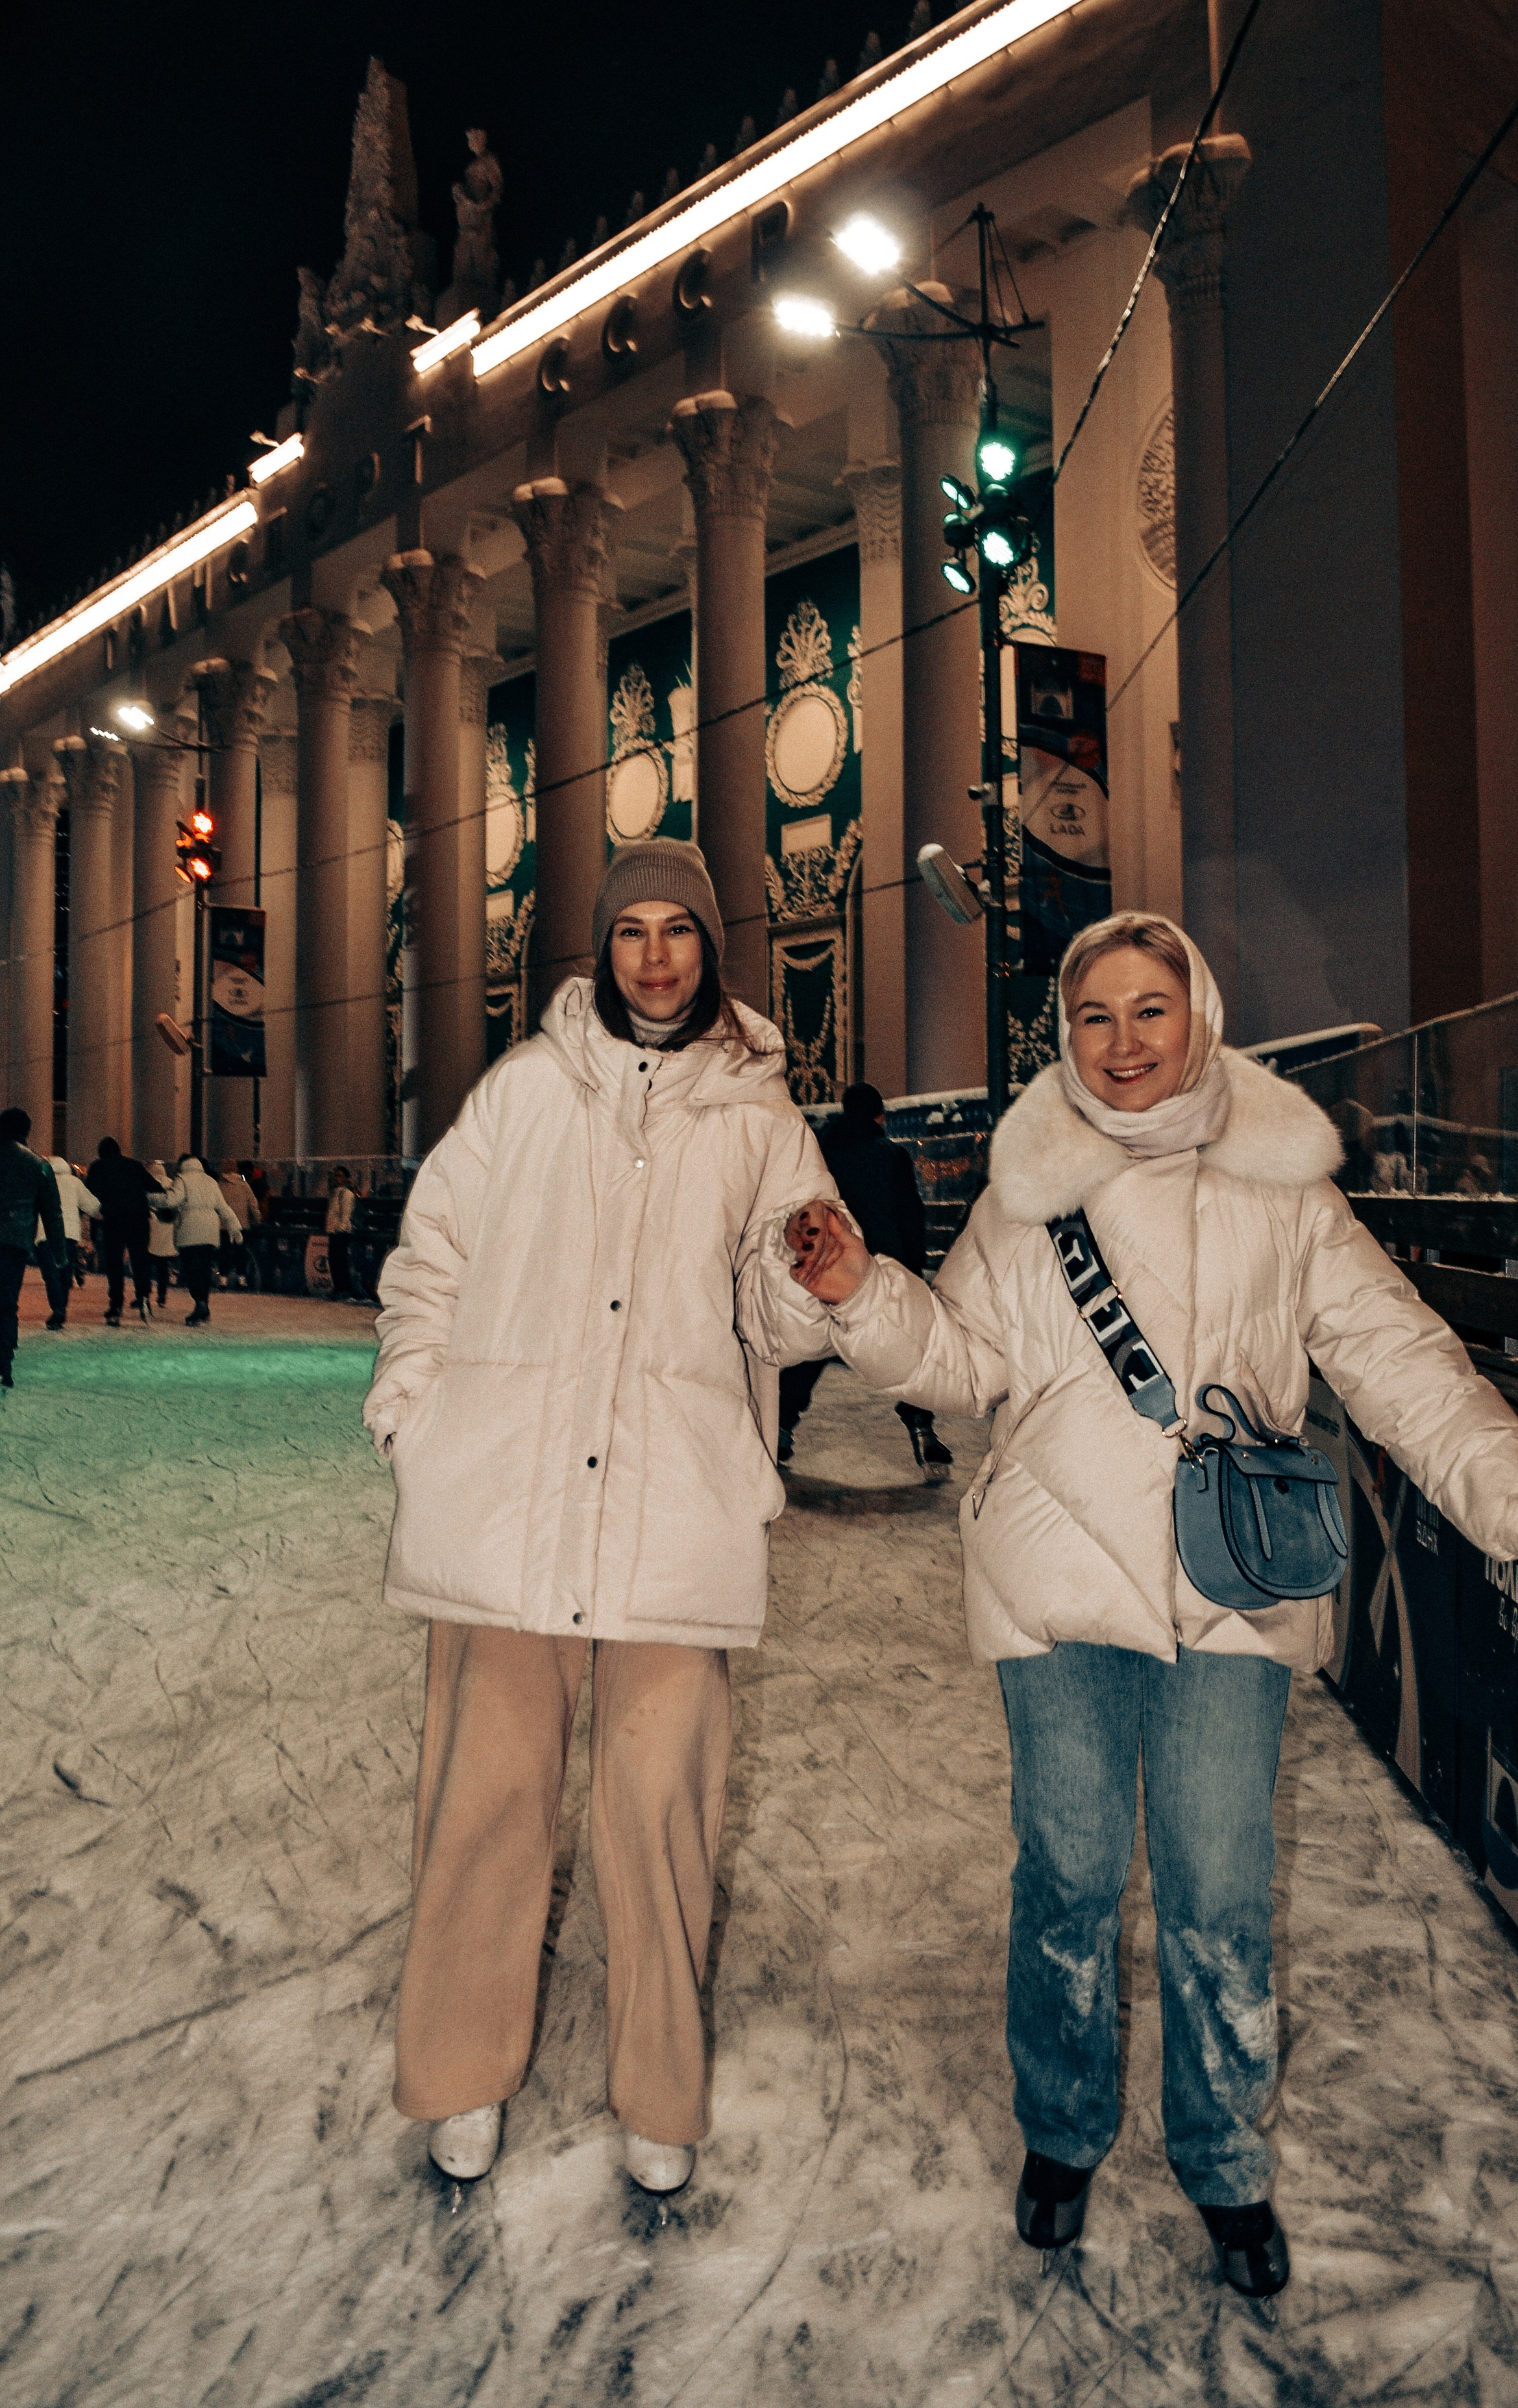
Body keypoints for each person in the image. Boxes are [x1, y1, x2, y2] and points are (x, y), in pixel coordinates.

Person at [782, 912, 1518, 2299]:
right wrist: (862, 1296)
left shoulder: (1280, 1185)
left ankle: (1219, 2158)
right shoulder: (1026, 1191)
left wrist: (1504, 1487)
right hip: (1055, 1594)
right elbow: (962, 1360)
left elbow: (1392, 1351)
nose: (1123, 1041)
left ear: (1199, 1020)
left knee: (1215, 1894)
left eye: (1149, 1011)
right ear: (1067, 1037)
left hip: (1230, 1592)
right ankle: (1062, 2129)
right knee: (1067, 1881)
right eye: (1095, 1016)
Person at [365, 838, 838, 2198]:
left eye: (674, 930)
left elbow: (783, 1312)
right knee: (483, 1807)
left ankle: (656, 2093)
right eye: (627, 929)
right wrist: (414, 1411)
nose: (652, 955)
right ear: (599, 947)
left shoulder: (757, 1119)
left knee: (657, 1816)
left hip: (671, 1511)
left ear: (709, 946)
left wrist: (809, 1282)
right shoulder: (520, 1093)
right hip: (502, 1507)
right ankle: (458, 2075)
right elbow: (430, 1257)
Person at [777, 1081, 953, 1476]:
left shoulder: (818, 1155)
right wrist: (913, 1270)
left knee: (810, 1351)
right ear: (880, 1117)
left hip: (825, 1269)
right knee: (905, 1353)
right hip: (877, 1270)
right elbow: (910, 1216)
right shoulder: (891, 1156)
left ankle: (781, 1428)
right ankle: (922, 1428)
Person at [0, 1107, 66, 1389]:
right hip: (14, 1245)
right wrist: (60, 1254)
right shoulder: (38, 1165)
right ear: (27, 1130)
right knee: (6, 1306)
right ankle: (3, 1366)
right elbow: (53, 1213)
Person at [86, 1136, 159, 1325]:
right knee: (140, 1259)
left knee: (115, 1264)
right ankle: (143, 1296)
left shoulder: (98, 1167)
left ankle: (116, 1305)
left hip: (114, 1220)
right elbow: (155, 1187)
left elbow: (90, 1193)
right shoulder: (134, 1165)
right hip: (139, 1220)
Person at [169, 1157, 245, 1322]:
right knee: (204, 1268)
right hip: (210, 1231)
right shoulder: (211, 1182)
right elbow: (224, 1208)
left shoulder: (182, 1180)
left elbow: (172, 1200)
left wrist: (152, 1198)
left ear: (183, 1167)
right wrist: (235, 1228)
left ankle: (200, 1303)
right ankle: (203, 1304)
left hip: (190, 1231)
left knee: (192, 1269)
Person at [39, 1155, 100, 1327]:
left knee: (50, 1274)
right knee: (65, 1271)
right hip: (69, 1234)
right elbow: (92, 1205)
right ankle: (61, 1308)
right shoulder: (74, 1183)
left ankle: (57, 1308)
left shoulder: (42, 1182)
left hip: (46, 1234)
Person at [218, 1159, 258, 1287]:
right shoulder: (244, 1185)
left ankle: (223, 1280)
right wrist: (257, 1219)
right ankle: (242, 1279)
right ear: (236, 1170)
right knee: (241, 1252)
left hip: (224, 1225)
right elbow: (253, 1204)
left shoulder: (220, 1186)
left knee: (224, 1252)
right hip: (241, 1224)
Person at [146, 1162, 177, 1308]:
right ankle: (162, 1296)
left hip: (151, 1225)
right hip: (166, 1227)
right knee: (163, 1265)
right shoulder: (171, 1184)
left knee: (146, 1262)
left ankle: (145, 1293)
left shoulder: (148, 1184)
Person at [324, 1167, 356, 1301]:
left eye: (340, 1176)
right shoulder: (334, 1193)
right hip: (334, 1231)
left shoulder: (347, 1194)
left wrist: (340, 1230)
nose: (337, 1178)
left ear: (346, 1179)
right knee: (333, 1260)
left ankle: (344, 1288)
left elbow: (346, 1215)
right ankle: (338, 1287)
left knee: (340, 1260)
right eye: (336, 1176)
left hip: (341, 1232)